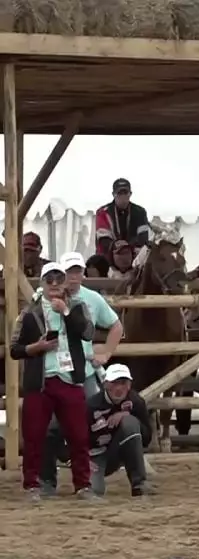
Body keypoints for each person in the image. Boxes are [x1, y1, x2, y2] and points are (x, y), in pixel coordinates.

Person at [10, 263, 96, 501]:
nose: (55, 284)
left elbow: (88, 333)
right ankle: (32, 485)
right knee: (34, 436)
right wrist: (36, 347)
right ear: (43, 282)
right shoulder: (30, 312)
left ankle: (83, 485)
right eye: (50, 280)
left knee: (79, 435)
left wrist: (66, 312)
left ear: (65, 281)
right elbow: (14, 349)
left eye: (59, 279)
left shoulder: (78, 307)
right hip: (41, 381)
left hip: (69, 379)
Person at [85, 363, 155, 497]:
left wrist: (127, 415)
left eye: (123, 383)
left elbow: (147, 438)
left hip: (118, 452)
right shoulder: (91, 405)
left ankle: (139, 483)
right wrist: (83, 460)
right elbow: (73, 437)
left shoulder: (136, 402)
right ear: (105, 384)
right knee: (95, 491)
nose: (119, 388)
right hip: (95, 456)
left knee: (130, 422)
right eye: (114, 383)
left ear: (129, 385)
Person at [95, 178, 150, 260]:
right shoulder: (103, 212)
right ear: (113, 194)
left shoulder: (140, 212)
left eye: (125, 193)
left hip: (133, 259)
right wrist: (115, 245)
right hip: (109, 260)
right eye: (119, 193)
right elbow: (103, 240)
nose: (123, 197)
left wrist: (127, 245)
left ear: (130, 194)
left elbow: (143, 238)